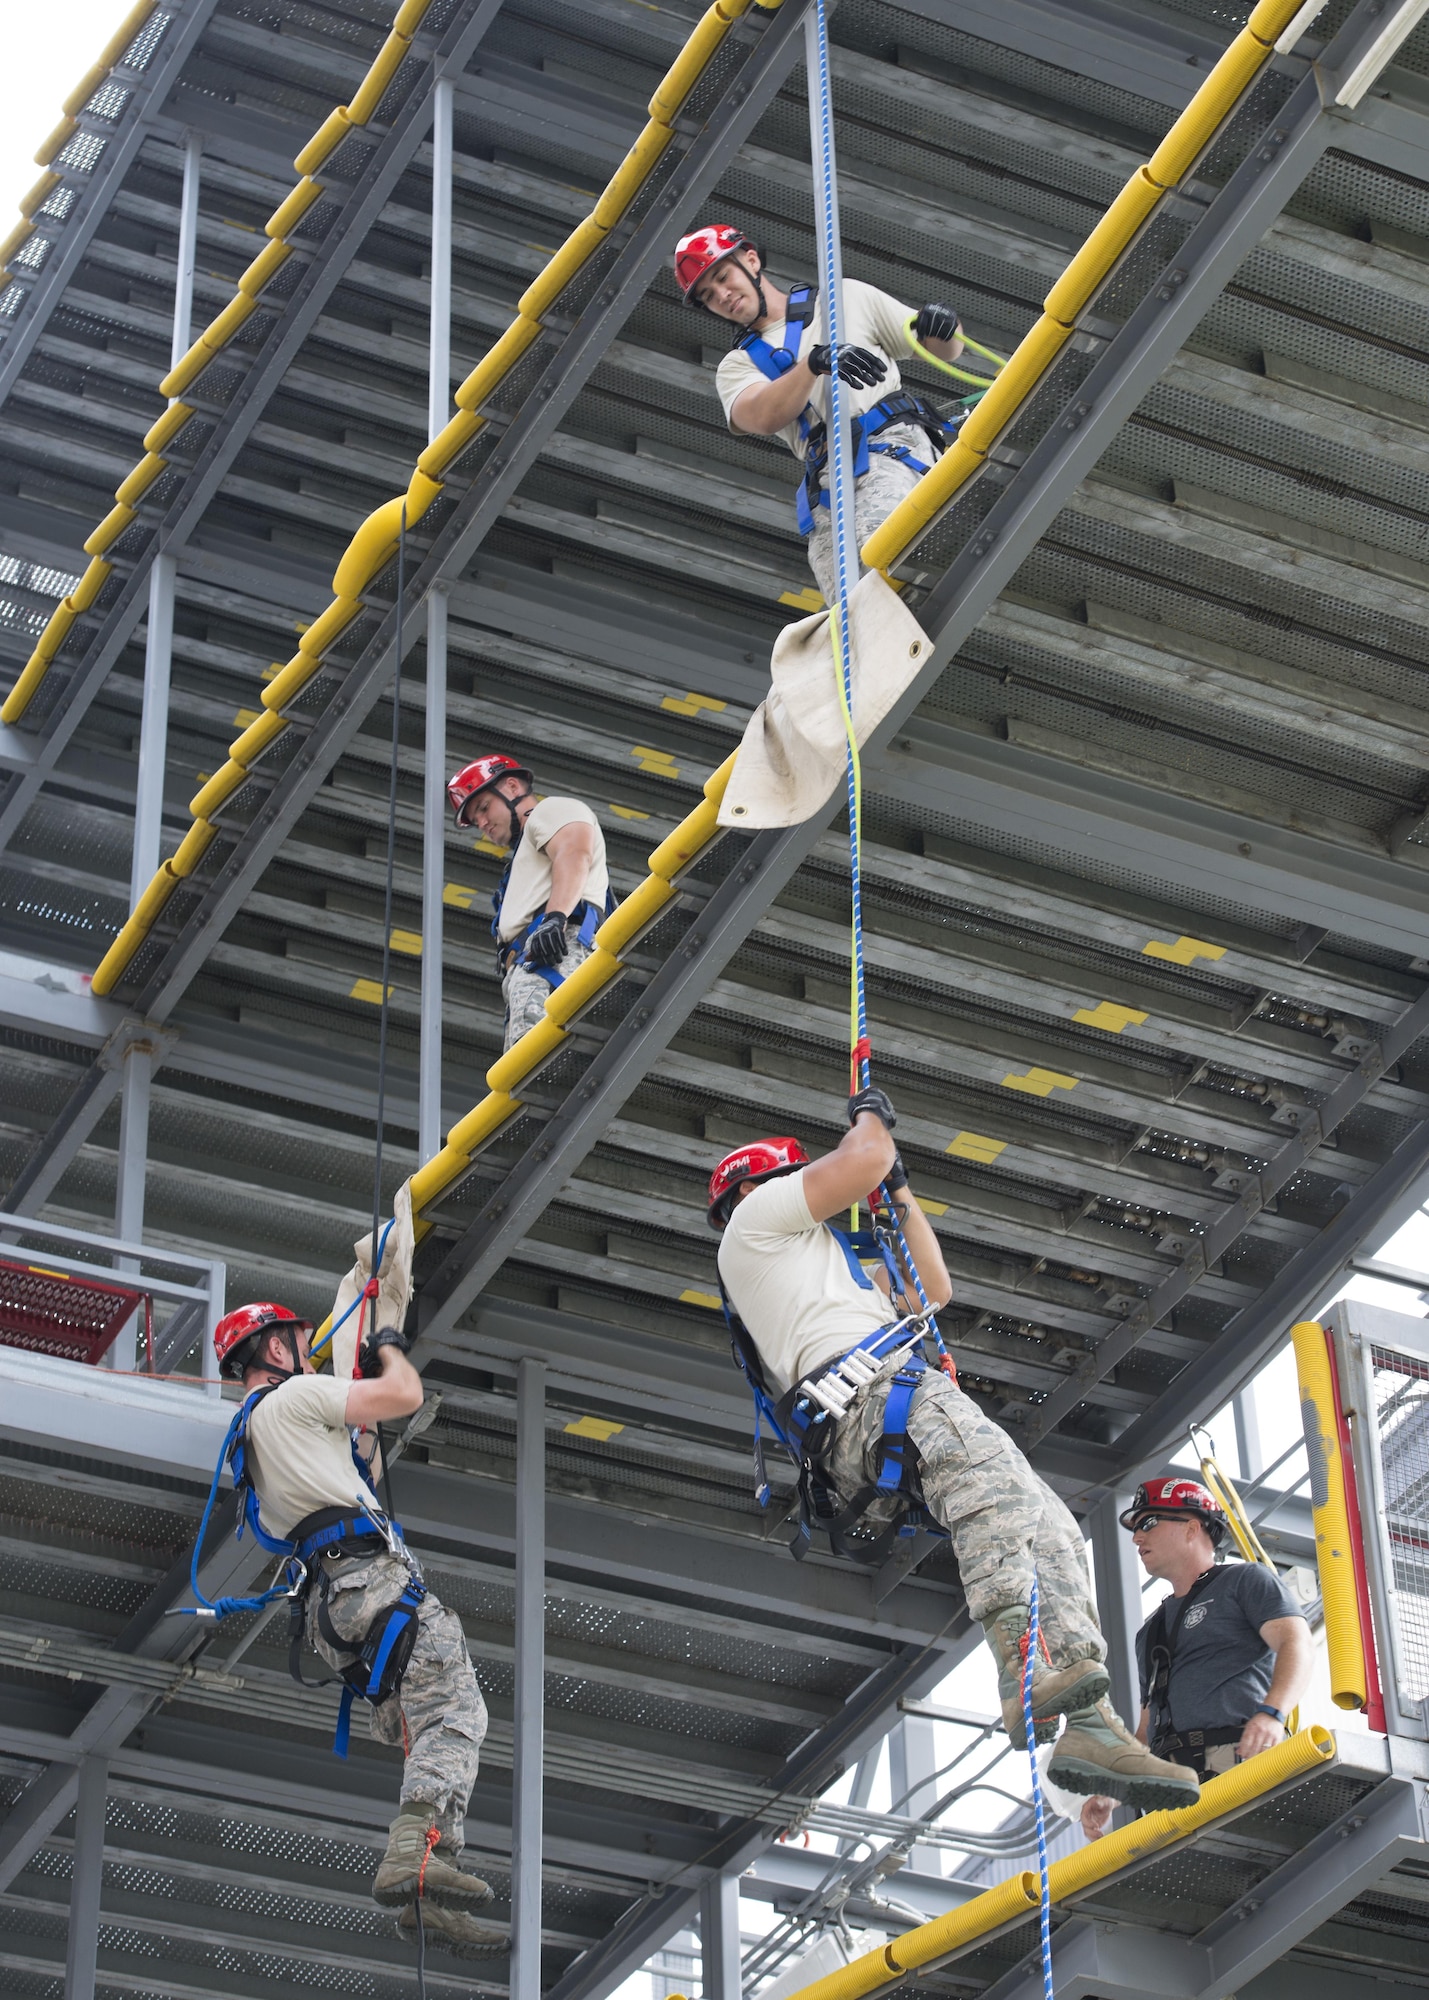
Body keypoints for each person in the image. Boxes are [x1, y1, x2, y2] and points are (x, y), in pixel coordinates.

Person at [709, 1089, 1201, 1811]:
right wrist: (872, 1121)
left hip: (885, 1398)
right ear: (757, 1188)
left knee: (1050, 1528)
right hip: (875, 1397)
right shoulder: (755, 1225)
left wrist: (897, 1189)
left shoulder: (823, 1266)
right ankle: (1020, 1671)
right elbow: (864, 1155)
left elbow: (930, 1288)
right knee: (990, 1494)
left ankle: (1092, 1722)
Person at [211, 1299, 501, 1958]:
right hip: (368, 1583)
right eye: (297, 1344)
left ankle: (426, 1885)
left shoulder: (255, 1433)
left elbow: (356, 1470)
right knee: (456, 1710)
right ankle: (415, 1855)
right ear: (277, 1351)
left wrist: (358, 1404)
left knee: (430, 1725)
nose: (306, 1354)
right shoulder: (295, 1397)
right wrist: (390, 1349)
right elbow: (403, 1393)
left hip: (331, 1604)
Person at [674, 222, 967, 603]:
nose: (723, 295)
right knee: (848, 606)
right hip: (829, 482)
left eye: (722, 277)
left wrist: (943, 325)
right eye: (709, 295)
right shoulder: (739, 366)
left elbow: (943, 349)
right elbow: (760, 416)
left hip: (890, 446)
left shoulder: (842, 300)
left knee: (881, 547)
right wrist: (813, 364)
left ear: (751, 259)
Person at [1080, 1476, 1313, 1840]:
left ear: (1192, 1527)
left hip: (1236, 1763)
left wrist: (1272, 1714)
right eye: (1137, 1528)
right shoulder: (1150, 1632)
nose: (1137, 1537)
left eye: (1148, 1523)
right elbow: (1147, 1727)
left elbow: (1296, 1642)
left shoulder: (1244, 1582)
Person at [447, 753, 610, 1050]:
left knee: (537, 1065)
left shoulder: (549, 811)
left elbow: (574, 852)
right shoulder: (526, 854)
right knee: (523, 1072)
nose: (482, 822)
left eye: (483, 808)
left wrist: (555, 919)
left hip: (554, 950)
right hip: (533, 964)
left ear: (511, 787)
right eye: (475, 819)